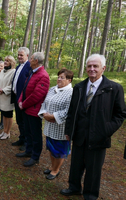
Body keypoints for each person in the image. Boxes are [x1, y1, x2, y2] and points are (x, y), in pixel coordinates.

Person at [60, 54, 126, 199]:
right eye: (89, 66)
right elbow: (72, 111)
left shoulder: (113, 89)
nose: (92, 69)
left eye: (95, 66)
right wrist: (69, 130)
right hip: (79, 135)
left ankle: (90, 194)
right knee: (76, 165)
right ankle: (74, 187)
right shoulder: (79, 87)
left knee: (93, 168)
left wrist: (106, 130)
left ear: (103, 68)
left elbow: (120, 114)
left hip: (98, 137)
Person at [38, 69, 74, 180]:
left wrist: (53, 116)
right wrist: (44, 113)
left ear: (69, 80)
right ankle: (52, 166)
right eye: (58, 77)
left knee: (59, 151)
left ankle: (55, 170)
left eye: (62, 77)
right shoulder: (53, 89)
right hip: (49, 126)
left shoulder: (72, 93)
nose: (59, 79)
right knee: (51, 147)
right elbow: (44, 103)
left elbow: (68, 111)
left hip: (61, 128)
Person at [16, 52, 50, 167]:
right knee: (28, 132)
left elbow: (37, 95)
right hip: (26, 108)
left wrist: (23, 104)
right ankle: (28, 151)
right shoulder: (32, 72)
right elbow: (24, 88)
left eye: (31, 58)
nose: (29, 60)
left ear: (36, 61)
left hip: (34, 111)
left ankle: (35, 157)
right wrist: (20, 100)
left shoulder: (43, 76)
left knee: (35, 135)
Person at [11, 47, 31, 150]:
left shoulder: (29, 67)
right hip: (16, 96)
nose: (19, 57)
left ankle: (27, 142)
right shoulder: (19, 66)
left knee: (24, 121)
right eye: (18, 55)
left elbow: (28, 85)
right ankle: (21, 138)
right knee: (19, 120)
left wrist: (23, 99)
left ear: (27, 56)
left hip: (23, 99)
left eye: (21, 55)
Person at [0, 56, 16, 140]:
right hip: (1, 95)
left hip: (7, 96)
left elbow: (13, 85)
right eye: (5, 60)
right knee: (3, 114)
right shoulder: (3, 71)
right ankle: (4, 131)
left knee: (9, 115)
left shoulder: (14, 71)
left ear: (11, 62)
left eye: (8, 61)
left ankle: (8, 132)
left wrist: (3, 90)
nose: (5, 62)